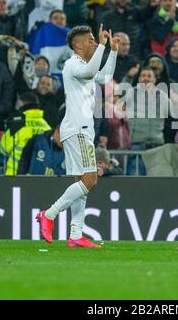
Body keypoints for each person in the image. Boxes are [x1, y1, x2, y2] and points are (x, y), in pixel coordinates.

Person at [36, 24, 119, 248]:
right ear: (79, 44)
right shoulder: (73, 64)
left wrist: (113, 50)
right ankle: (49, 214)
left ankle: (75, 234)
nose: (94, 42)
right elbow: (93, 73)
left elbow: (104, 77)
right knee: (90, 180)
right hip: (79, 129)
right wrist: (102, 46)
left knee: (80, 183)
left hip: (78, 129)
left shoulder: (82, 65)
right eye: (91, 40)